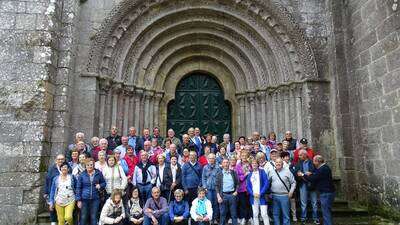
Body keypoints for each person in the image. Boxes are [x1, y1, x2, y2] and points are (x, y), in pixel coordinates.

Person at [301, 155, 335, 225]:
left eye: (314, 161)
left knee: (326, 211)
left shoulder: (322, 169)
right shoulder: (324, 167)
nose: (313, 163)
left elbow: (312, 179)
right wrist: (312, 173)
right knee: (327, 210)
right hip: (329, 192)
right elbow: (317, 174)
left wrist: (302, 175)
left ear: (317, 161)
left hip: (326, 193)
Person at [76, 158, 107, 225]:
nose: (90, 166)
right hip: (84, 199)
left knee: (94, 217)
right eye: (88, 165)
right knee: (83, 217)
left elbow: (104, 183)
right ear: (85, 166)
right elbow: (78, 188)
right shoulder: (82, 175)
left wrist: (100, 185)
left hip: (95, 199)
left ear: (93, 165)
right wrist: (78, 200)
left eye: (91, 165)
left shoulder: (98, 173)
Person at [269, 158, 296, 225]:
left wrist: (291, 191)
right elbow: (268, 183)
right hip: (274, 196)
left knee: (285, 214)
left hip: (285, 196)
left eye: (279, 162)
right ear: (275, 164)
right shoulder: (271, 172)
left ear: (282, 164)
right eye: (277, 162)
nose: (278, 164)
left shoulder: (287, 172)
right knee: (275, 214)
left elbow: (293, 182)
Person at [295, 150, 318, 224]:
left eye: (300, 155)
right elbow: (296, 173)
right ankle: (303, 217)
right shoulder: (298, 163)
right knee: (303, 202)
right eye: (299, 155)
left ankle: (315, 218)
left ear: (305, 155)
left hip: (312, 184)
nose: (299, 156)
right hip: (302, 184)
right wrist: (298, 174)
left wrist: (311, 173)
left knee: (314, 202)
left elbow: (317, 172)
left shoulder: (312, 162)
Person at [246, 158, 270, 225]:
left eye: (255, 163)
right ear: (251, 165)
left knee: (264, 214)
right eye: (253, 163)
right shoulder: (250, 174)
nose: (254, 164)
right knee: (255, 214)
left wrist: (261, 193)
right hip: (253, 197)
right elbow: (248, 186)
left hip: (262, 196)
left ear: (258, 164)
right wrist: (252, 193)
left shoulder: (262, 172)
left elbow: (266, 183)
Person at [215, 158, 239, 225]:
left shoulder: (233, 172)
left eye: (227, 162)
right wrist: (218, 196)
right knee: (222, 214)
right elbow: (216, 185)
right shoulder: (219, 174)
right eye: (224, 162)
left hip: (232, 195)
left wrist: (236, 191)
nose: (226, 164)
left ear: (229, 163)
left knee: (234, 214)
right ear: (222, 164)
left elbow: (237, 183)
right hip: (223, 196)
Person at [201, 153, 220, 223]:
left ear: (215, 159)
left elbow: (220, 178)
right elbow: (203, 178)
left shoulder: (218, 168)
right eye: (210, 158)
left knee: (216, 204)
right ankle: (210, 218)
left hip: (216, 189)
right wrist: (205, 187)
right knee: (209, 204)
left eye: (213, 158)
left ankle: (215, 219)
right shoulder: (205, 167)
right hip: (208, 189)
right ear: (208, 159)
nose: (211, 160)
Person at [235, 151, 251, 225]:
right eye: (243, 155)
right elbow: (238, 178)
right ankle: (243, 218)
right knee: (242, 204)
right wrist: (245, 175)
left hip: (250, 188)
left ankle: (249, 217)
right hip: (241, 188)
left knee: (249, 203)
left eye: (245, 155)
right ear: (240, 157)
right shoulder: (238, 165)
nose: (244, 157)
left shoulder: (250, 164)